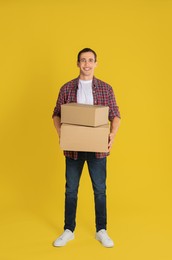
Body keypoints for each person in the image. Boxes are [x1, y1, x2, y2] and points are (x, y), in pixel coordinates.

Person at [52, 48, 121, 247]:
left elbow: (115, 114)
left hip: (97, 148)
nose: (87, 64)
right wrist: (61, 133)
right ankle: (68, 230)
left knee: (100, 190)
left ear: (96, 63)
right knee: (71, 190)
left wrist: (112, 135)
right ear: (78, 63)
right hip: (73, 148)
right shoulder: (66, 88)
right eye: (83, 60)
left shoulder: (105, 88)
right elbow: (56, 114)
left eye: (91, 60)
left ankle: (101, 230)